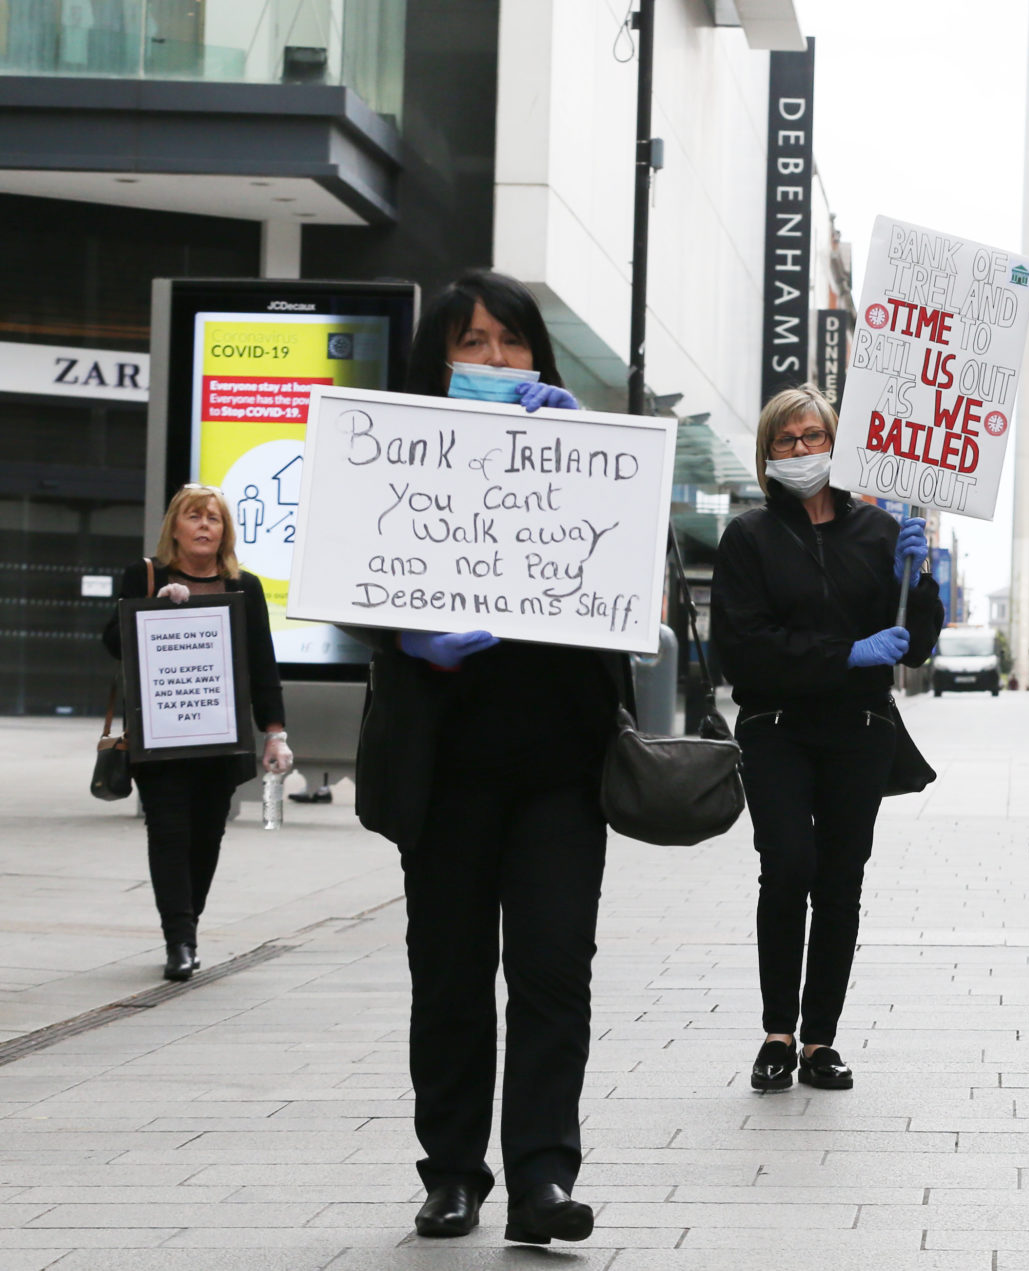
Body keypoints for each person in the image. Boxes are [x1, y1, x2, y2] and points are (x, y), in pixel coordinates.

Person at [348, 270, 614, 1246]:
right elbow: (354, 573)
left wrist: (589, 445)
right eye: (474, 344)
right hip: (446, 767)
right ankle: (453, 1171)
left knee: (552, 970)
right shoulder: (398, 450)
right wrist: (404, 638)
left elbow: (630, 580)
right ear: (439, 357)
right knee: (451, 974)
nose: (496, 362)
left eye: (512, 343)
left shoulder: (575, 441)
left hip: (560, 766)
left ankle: (543, 1176)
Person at [713, 385, 943, 1097]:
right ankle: (777, 1031)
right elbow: (743, 647)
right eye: (788, 440)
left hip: (858, 731)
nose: (804, 450)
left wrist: (920, 579)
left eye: (816, 437)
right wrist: (845, 652)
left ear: (837, 446)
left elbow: (915, 647)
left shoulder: (877, 533)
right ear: (767, 453)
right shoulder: (748, 536)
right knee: (787, 866)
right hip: (776, 727)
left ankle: (820, 1040)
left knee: (840, 882)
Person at [103, 485, 292, 982]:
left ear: (225, 531)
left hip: (220, 741)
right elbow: (111, 641)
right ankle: (179, 941)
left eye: (214, 518)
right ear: (175, 526)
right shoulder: (144, 575)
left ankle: (190, 922)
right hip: (160, 740)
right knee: (168, 833)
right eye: (194, 516)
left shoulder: (243, 586)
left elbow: (262, 665)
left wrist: (276, 732)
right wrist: (154, 607)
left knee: (207, 836)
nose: (205, 525)